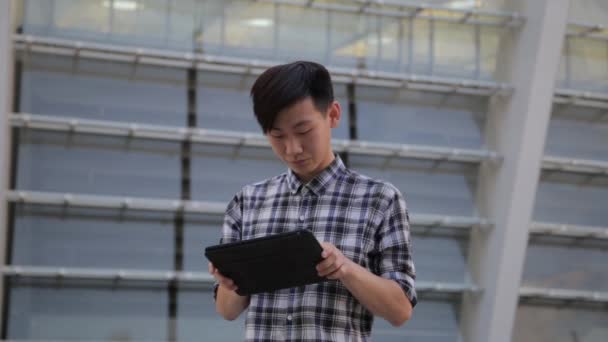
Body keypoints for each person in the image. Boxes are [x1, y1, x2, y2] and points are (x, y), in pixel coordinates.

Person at [208, 61, 417, 341]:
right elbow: (227, 310)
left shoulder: (380, 199)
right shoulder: (247, 202)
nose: (292, 149)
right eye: (277, 136)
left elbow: (400, 310)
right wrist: (231, 283)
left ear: (332, 114)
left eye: (304, 131)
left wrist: (344, 268)